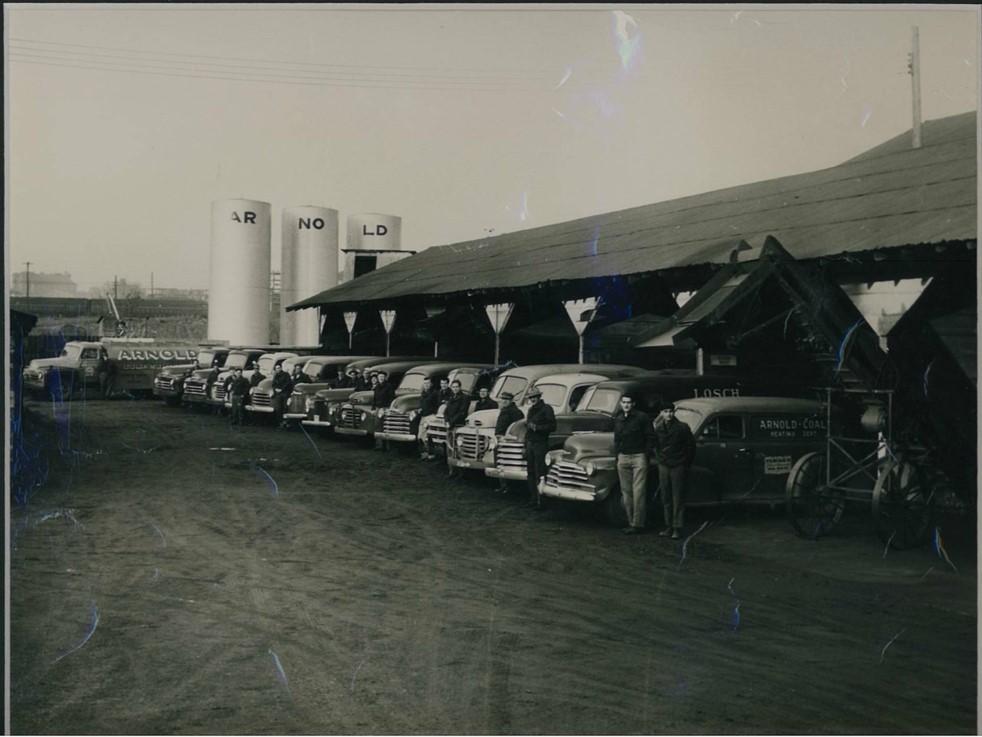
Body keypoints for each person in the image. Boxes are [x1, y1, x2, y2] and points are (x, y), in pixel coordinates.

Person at [653, 401, 696, 540]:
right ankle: (668, 525)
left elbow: (691, 447)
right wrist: (660, 458)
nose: (668, 414)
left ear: (674, 412)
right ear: (661, 413)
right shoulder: (659, 428)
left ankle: (677, 527)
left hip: (678, 465)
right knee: (666, 496)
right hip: (664, 465)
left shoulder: (682, 427)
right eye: (665, 411)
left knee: (677, 497)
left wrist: (685, 463)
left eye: (670, 411)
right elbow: (655, 446)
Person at [613, 394, 655, 534]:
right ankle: (630, 523)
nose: (626, 405)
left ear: (633, 403)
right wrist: (618, 455)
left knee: (639, 492)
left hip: (638, 457)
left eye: (629, 402)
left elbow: (650, 437)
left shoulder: (641, 417)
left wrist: (645, 455)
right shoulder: (618, 419)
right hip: (623, 457)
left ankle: (638, 524)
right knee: (626, 492)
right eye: (624, 402)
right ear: (620, 403)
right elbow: (617, 439)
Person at [524, 386, 556, 509]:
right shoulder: (531, 410)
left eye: (534, 397)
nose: (532, 399)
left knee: (540, 472)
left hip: (540, 443)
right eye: (531, 397)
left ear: (539, 397)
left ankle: (541, 501)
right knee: (530, 471)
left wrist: (537, 428)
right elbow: (528, 429)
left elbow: (552, 426)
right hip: (531, 443)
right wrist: (525, 446)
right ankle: (533, 499)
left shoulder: (547, 409)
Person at [493, 391, 524, 492]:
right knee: (499, 462)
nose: (504, 401)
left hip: (508, 441)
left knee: (505, 462)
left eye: (506, 399)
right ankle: (503, 485)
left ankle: (507, 486)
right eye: (503, 399)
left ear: (511, 400)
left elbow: (518, 427)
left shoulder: (515, 412)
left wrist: (507, 437)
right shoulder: (504, 410)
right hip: (500, 439)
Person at [443, 379, 471, 479]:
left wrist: (451, 422)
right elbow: (446, 411)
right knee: (449, 449)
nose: (455, 389)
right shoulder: (451, 397)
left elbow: (462, 413)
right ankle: (452, 472)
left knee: (458, 449)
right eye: (453, 387)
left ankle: (461, 473)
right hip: (449, 426)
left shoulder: (465, 398)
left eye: (456, 387)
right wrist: (446, 421)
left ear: (460, 387)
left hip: (458, 426)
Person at [417, 376, 441, 460]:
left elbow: (437, 404)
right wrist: (420, 409)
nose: (426, 385)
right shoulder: (423, 393)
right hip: (423, 416)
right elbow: (422, 404)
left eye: (428, 383)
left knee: (430, 436)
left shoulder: (435, 393)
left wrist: (434, 414)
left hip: (431, 416)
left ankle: (431, 454)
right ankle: (424, 453)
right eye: (425, 383)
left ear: (431, 384)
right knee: (420, 435)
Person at [373, 370, 395, 450]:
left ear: (385, 378)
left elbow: (392, 397)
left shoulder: (389, 386)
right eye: (379, 377)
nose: (381, 378)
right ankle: (379, 445)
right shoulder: (377, 386)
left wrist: (388, 408)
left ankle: (388, 446)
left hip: (385, 407)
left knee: (386, 426)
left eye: (382, 377)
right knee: (377, 426)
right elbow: (374, 398)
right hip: (378, 408)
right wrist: (373, 408)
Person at [270, 363, 294, 428]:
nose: (277, 369)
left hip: (285, 393)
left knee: (285, 408)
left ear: (281, 368)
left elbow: (288, 383)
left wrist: (282, 389)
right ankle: (280, 423)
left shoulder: (286, 375)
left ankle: (286, 423)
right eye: (276, 368)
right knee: (278, 409)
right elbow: (273, 384)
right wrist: (276, 389)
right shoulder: (276, 376)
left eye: (278, 368)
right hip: (278, 394)